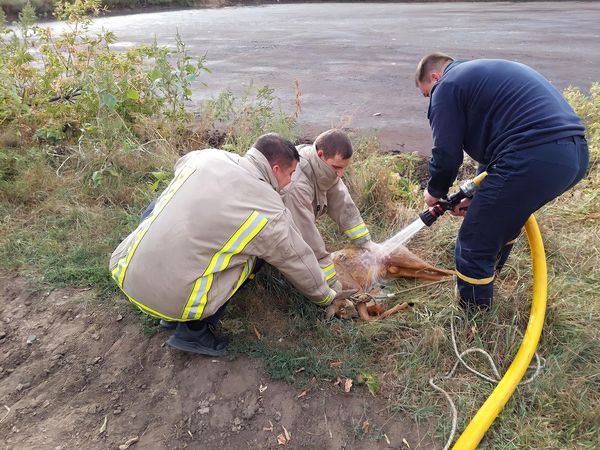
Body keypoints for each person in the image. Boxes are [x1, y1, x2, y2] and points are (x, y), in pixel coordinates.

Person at [109, 133, 346, 356]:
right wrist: (325, 296)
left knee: (163, 204)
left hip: (124, 271)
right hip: (175, 301)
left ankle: (169, 313)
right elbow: (297, 260)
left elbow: (180, 164)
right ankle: (194, 331)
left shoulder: (206, 157)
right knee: (256, 255)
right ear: (275, 169)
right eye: (290, 174)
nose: (290, 181)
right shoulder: (269, 209)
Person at [415, 53, 589, 309]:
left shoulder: (447, 86)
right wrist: (474, 195)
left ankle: (474, 319)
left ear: (434, 77)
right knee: (500, 221)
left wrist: (434, 192)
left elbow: (447, 154)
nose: (431, 99)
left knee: (475, 240)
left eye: (426, 94)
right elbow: (500, 151)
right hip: (573, 156)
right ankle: (486, 280)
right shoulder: (481, 75)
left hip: (534, 155)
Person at [281, 129, 382, 290]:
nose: (340, 174)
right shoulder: (296, 187)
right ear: (321, 155)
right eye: (336, 167)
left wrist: (366, 243)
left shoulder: (324, 168)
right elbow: (306, 236)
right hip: (272, 236)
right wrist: (330, 282)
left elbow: (343, 204)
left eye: (343, 168)